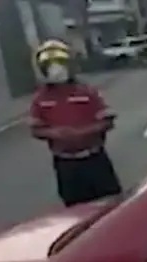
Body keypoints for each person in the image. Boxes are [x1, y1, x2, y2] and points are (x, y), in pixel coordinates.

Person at [28, 40, 122, 207]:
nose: (56, 69)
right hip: (66, 165)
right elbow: (36, 129)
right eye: (50, 65)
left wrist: (82, 132)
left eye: (60, 64)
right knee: (75, 210)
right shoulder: (41, 99)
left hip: (94, 159)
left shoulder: (87, 92)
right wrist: (55, 133)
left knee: (112, 205)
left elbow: (107, 121)